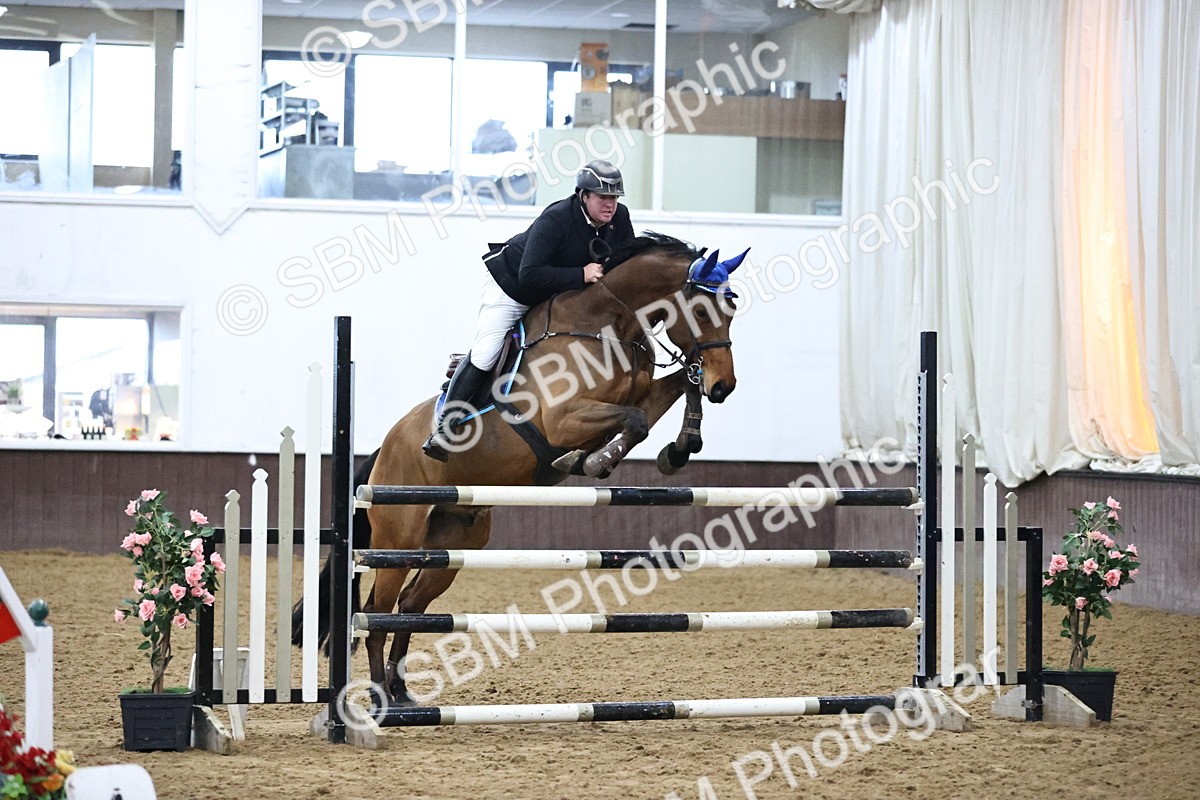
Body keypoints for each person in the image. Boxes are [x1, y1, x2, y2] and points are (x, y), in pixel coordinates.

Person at [422, 159, 635, 461]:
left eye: (614, 198)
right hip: (513, 287)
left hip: (560, 296)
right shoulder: (557, 218)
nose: (610, 204)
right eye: (603, 197)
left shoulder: (619, 219)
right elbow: (530, 273)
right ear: (583, 196)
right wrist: (580, 274)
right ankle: (445, 427)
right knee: (486, 352)